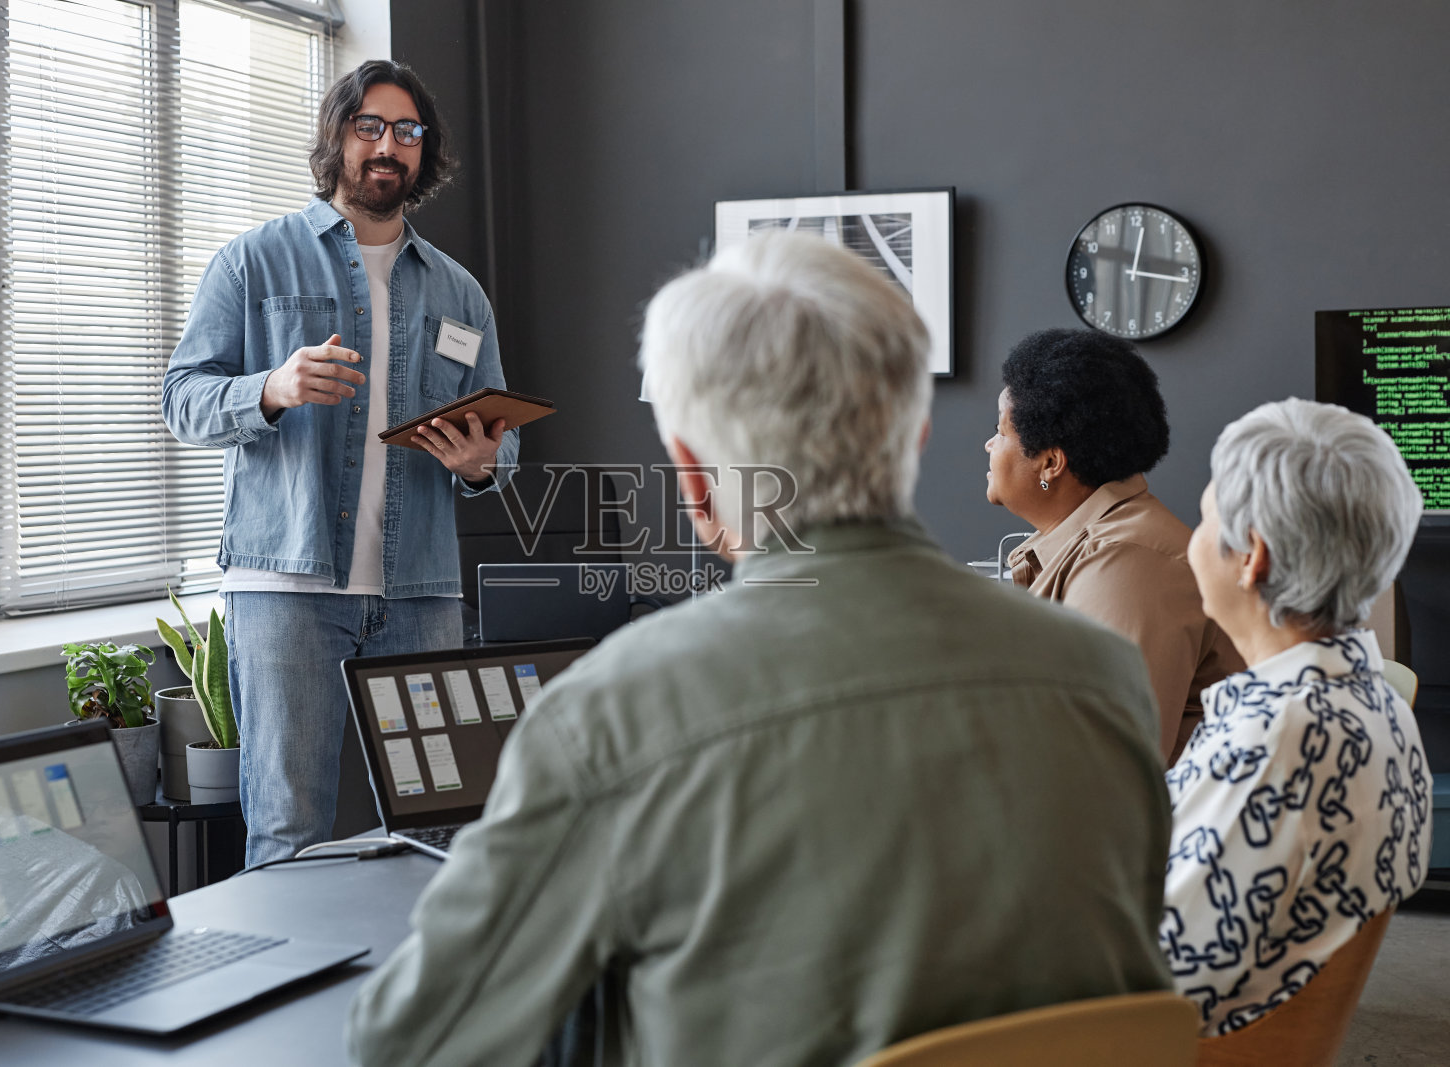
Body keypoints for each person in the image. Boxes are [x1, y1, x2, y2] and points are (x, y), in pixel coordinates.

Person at [346, 234, 1173, 1066]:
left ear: (693, 478)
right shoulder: (1100, 676)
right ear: (913, 437)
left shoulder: (612, 713)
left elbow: (409, 1045)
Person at [161, 60, 518, 866]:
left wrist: (480, 461)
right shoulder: (253, 263)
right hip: (288, 593)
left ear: (424, 153)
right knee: (287, 832)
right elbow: (182, 398)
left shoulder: (460, 295)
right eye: (371, 126)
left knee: (441, 829)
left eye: (408, 131)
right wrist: (272, 388)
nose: (388, 146)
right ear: (338, 137)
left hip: (420, 591)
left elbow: (503, 439)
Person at [1161, 398, 1430, 1036]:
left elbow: (1148, 974)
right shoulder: (1374, 700)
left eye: (1202, 519)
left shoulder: (1277, 742)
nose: (1191, 544)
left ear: (1252, 555)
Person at [985, 328, 1243, 763]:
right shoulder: (1105, 544)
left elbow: (1104, 764)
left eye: (1001, 431)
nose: (989, 445)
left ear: (1050, 461)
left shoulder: (1130, 564)